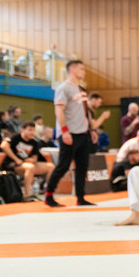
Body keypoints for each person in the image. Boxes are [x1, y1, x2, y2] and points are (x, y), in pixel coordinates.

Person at [45, 59, 96, 207]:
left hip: (83, 133)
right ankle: (49, 196)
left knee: (82, 167)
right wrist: (64, 131)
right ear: (72, 70)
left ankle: (80, 197)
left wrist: (91, 130)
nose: (84, 72)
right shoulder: (63, 88)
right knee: (63, 165)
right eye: (82, 69)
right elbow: (58, 110)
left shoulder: (81, 89)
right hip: (70, 133)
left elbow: (86, 112)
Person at [0, 121, 52, 199]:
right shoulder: (15, 138)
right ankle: (27, 194)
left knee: (50, 166)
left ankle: (48, 191)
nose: (32, 133)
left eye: (34, 130)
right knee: (30, 167)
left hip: (27, 163)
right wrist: (16, 159)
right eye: (30, 130)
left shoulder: (34, 142)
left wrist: (32, 160)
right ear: (23, 130)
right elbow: (3, 146)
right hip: (14, 164)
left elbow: (35, 157)